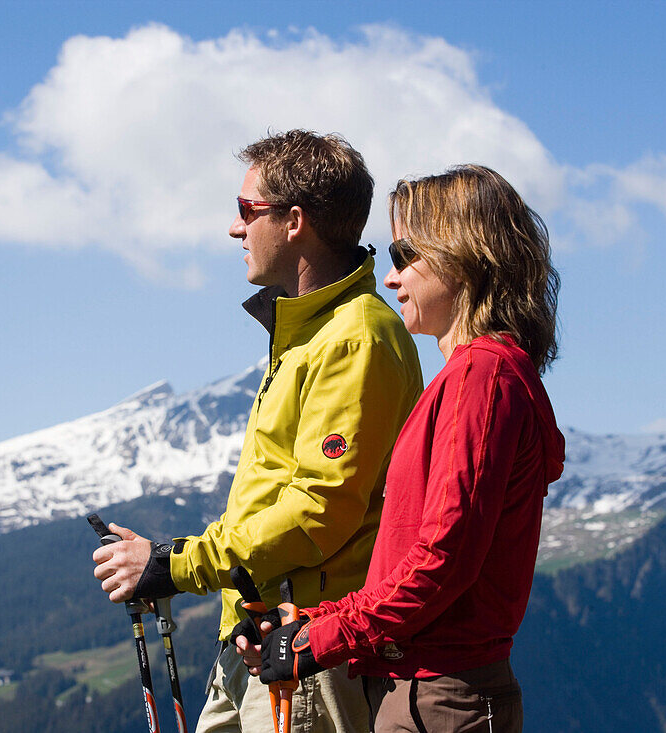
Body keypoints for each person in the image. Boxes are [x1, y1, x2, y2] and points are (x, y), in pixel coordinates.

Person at [93, 130, 424, 732]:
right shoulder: (309, 335)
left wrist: (175, 563)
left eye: (247, 210)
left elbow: (318, 508)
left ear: (295, 220)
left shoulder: (355, 337)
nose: (235, 228)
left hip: (308, 649)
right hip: (263, 639)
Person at [233, 165, 565, 732]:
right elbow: (412, 558)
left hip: (439, 700)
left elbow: (443, 560)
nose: (391, 278)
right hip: (424, 692)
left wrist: (318, 638)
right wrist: (308, 623)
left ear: (463, 255)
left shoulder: (482, 377)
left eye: (406, 253)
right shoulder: (475, 375)